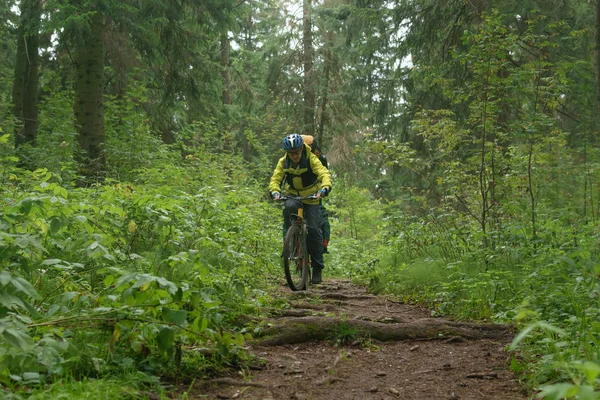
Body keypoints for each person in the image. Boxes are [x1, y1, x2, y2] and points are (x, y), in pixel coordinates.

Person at [269, 133, 333, 284]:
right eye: (291, 153)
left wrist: (324, 188)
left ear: (301, 149)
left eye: (297, 152)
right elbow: (275, 178)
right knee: (288, 210)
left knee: (314, 230)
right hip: (293, 195)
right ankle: (291, 240)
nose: (295, 156)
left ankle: (317, 267)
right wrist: (275, 191)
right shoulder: (283, 161)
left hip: (312, 196)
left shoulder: (311, 158)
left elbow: (324, 173)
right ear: (287, 153)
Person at [301, 135, 331, 254]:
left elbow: (325, 174)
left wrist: (324, 189)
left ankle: (323, 245)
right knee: (288, 218)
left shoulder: (320, 158)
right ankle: (287, 245)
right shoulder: (295, 157)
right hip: (297, 192)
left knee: (322, 218)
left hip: (315, 193)